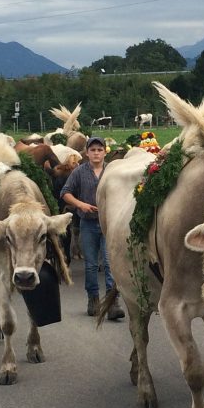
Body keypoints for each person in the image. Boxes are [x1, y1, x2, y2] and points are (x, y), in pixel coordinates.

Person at [60, 136, 124, 320]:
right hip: (88, 223)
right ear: (87, 153)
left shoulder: (112, 172)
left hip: (109, 224)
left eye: (99, 149)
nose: (96, 153)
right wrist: (81, 205)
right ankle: (93, 299)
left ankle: (113, 302)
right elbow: (65, 193)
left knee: (110, 263)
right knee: (91, 265)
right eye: (93, 150)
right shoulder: (79, 172)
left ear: (105, 152)